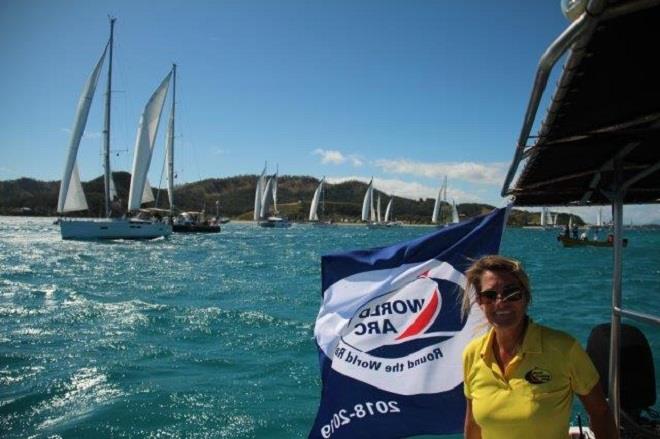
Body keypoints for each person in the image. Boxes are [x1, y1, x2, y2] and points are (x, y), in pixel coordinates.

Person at [461, 255, 618, 439]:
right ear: (480, 302)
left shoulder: (564, 349)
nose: (500, 302)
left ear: (526, 298)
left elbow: (600, 412)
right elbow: (473, 423)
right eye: (489, 295)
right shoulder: (473, 354)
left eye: (511, 293)